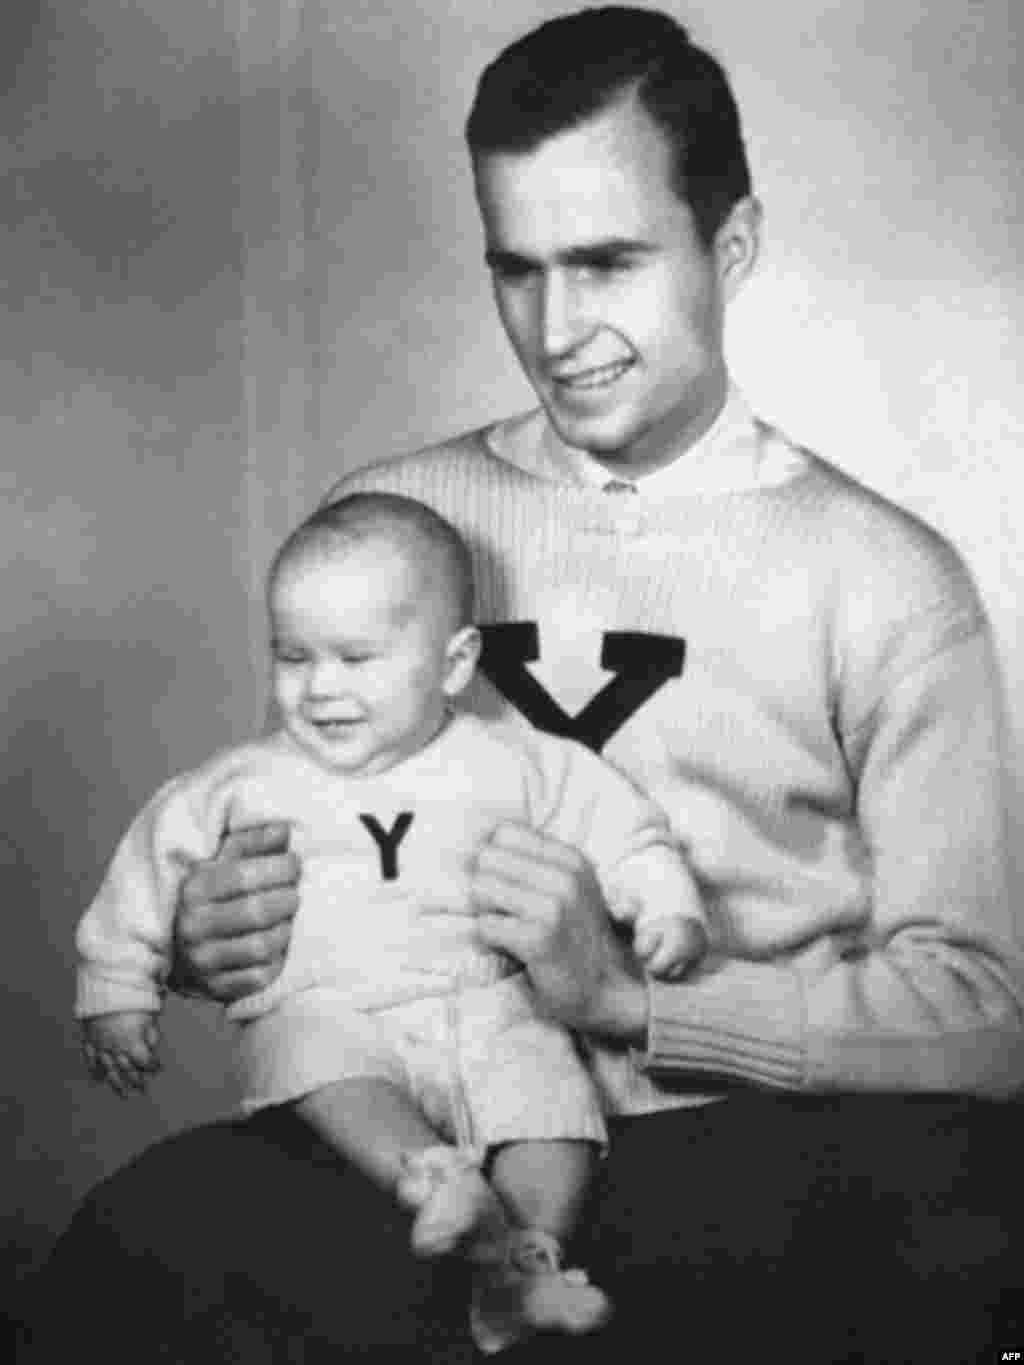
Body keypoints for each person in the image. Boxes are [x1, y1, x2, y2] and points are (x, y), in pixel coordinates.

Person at [29, 8, 1024, 1363]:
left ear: (731, 247)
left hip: (760, 1156)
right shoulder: (392, 521)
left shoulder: (886, 578)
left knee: (979, 1221)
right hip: (431, 1136)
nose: (558, 332)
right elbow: (325, 837)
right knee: (135, 1248)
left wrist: (632, 1004)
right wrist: (219, 937)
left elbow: (980, 1019)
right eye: (519, 269)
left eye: (609, 263)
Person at [73, 490, 708, 1353]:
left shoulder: (512, 758)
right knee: (312, 1056)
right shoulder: (249, 778)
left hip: (486, 998)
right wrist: (117, 984)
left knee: (555, 1105)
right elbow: (151, 866)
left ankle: (524, 1265)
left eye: (356, 657)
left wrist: (662, 901)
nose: (320, 687)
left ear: (453, 664)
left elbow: (616, 823)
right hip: (334, 1006)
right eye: (292, 656)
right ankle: (438, 1179)